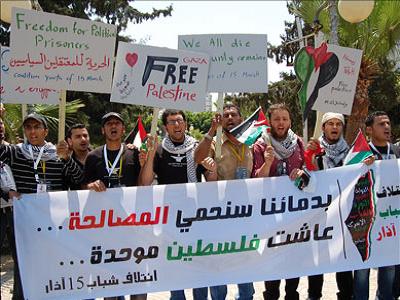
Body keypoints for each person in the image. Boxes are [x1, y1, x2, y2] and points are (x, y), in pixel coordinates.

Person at [0, 113, 84, 299]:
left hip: (52, 222)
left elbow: (78, 179)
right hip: (24, 223)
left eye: (36, 127)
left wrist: (67, 158)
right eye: (28, 127)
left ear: (45, 131)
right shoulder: (15, 151)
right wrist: (6, 193)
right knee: (23, 265)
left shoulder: (58, 153)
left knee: (51, 264)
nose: (32, 131)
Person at [140, 109, 216, 300]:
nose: (177, 125)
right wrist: (150, 154)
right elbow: (145, 182)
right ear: (166, 127)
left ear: (185, 124)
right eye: (172, 122)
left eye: (180, 121)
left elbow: (211, 180)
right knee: (175, 264)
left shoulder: (197, 149)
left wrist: (212, 168)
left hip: (196, 216)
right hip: (170, 218)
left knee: (198, 263)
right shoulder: (159, 150)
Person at [194, 103, 255, 300]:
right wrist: (212, 130)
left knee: (244, 261)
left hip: (245, 213)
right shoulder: (215, 143)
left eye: (233, 115)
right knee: (219, 261)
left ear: (240, 119)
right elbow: (198, 157)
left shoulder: (251, 142)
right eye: (225, 115)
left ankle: (246, 296)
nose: (229, 118)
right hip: (220, 213)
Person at [82, 112, 143, 300]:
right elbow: (83, 186)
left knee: (137, 273)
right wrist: (90, 186)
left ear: (123, 129)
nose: (113, 126)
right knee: (110, 275)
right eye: (109, 124)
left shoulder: (134, 153)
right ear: (103, 130)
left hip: (132, 225)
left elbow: (144, 184)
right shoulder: (93, 156)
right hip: (106, 226)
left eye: (117, 123)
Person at [252, 103, 305, 300]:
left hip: (294, 214)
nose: (281, 123)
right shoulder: (260, 145)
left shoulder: (299, 143)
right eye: (277, 119)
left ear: (290, 121)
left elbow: (308, 175)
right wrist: (267, 162)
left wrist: (302, 173)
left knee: (294, 261)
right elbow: (257, 180)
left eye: (285, 119)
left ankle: (292, 294)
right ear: (270, 122)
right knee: (272, 261)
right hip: (271, 215)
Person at [305, 112, 352, 300]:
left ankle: (346, 296)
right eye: (330, 124)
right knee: (317, 260)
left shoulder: (351, 153)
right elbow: (306, 180)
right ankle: (314, 295)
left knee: (344, 260)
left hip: (343, 215)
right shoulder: (314, 150)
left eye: (338, 124)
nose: (334, 127)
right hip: (319, 215)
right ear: (323, 127)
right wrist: (309, 156)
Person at [353, 111, 399, 300]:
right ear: (369, 129)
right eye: (381, 124)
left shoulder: (396, 152)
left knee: (389, 266)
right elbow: (349, 184)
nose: (387, 127)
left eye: (388, 123)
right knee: (363, 268)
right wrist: (361, 167)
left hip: (390, 220)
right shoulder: (361, 154)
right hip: (366, 220)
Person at [65, 123, 91, 190]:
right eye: (78, 136)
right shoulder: (65, 163)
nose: (83, 139)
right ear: (70, 141)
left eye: (85, 136)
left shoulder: (99, 158)